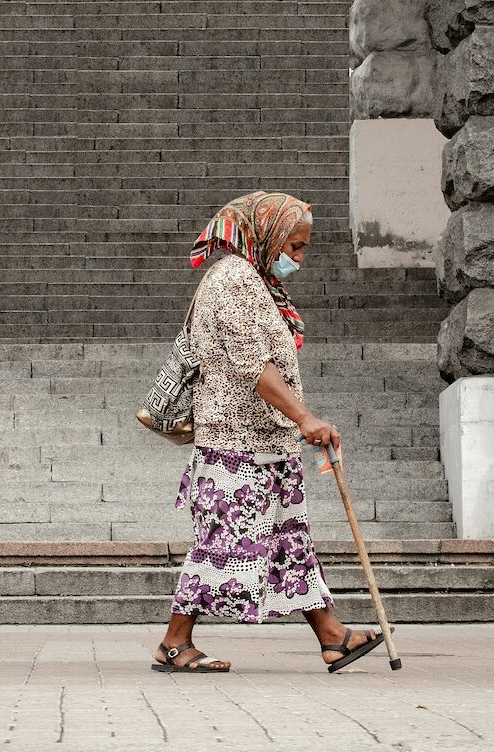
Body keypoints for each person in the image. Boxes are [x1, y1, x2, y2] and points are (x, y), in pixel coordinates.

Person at [151, 191, 386, 674]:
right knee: (224, 544)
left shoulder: (255, 281)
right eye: (294, 247)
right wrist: (305, 418)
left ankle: (333, 636)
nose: (298, 258)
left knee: (287, 543)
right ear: (268, 236)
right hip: (236, 446)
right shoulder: (235, 280)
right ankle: (175, 643)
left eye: (302, 248)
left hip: (264, 446)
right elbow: (254, 367)